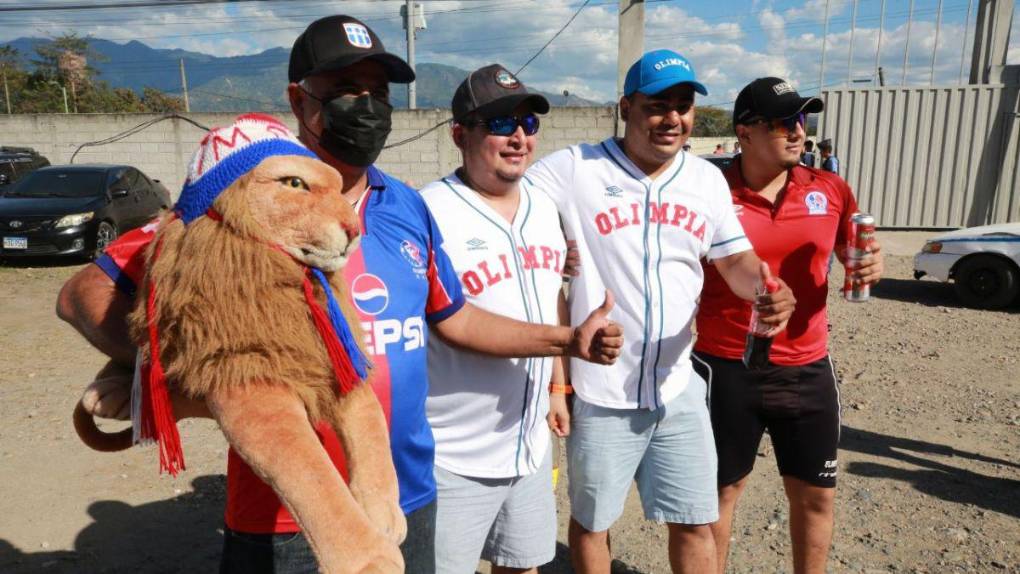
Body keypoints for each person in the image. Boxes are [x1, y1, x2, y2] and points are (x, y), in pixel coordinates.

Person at [55, 15, 622, 574]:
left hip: (405, 496)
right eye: (346, 91)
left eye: (379, 92)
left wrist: (566, 339)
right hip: (285, 518)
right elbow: (83, 293)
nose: (368, 106)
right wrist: (203, 374)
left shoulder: (407, 205)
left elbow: (458, 319)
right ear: (301, 103)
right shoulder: (246, 195)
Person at [526, 49, 796, 574]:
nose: (672, 118)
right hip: (603, 390)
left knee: (697, 520)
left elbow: (734, 258)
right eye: (657, 105)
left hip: (678, 386)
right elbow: (508, 204)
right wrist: (552, 243)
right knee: (593, 522)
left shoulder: (704, 180)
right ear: (626, 106)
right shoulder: (575, 169)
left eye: (684, 105)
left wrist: (763, 286)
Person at [694, 77, 883, 574]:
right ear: (745, 132)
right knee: (719, 499)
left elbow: (851, 253)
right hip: (725, 366)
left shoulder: (831, 188)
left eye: (802, 119)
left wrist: (868, 265)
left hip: (806, 368)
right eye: (782, 121)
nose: (798, 131)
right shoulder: (710, 192)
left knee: (815, 497)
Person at [420, 64, 569, 574]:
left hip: (528, 448)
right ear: (460, 134)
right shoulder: (427, 212)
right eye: (501, 124)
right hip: (452, 455)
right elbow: (450, 323)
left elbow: (550, 297)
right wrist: (569, 342)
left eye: (528, 122)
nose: (520, 137)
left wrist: (557, 387)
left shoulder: (545, 208)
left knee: (523, 567)